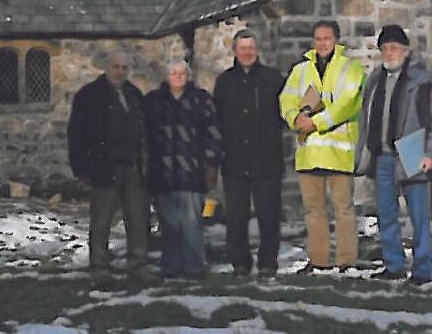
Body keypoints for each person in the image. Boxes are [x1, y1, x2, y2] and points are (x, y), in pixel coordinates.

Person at [354, 25, 432, 285]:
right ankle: (393, 264)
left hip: (412, 150)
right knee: (386, 214)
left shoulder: (423, 80)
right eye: (384, 48)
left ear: (405, 50)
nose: (389, 52)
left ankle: (423, 269)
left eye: (394, 47)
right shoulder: (375, 79)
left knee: (419, 215)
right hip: (382, 155)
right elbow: (365, 117)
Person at [279, 20, 366, 272]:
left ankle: (346, 261)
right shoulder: (301, 70)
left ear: (336, 40)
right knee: (313, 211)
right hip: (309, 153)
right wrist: (295, 118)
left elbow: (348, 103)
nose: (322, 43)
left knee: (343, 210)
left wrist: (314, 123)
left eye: (327, 38)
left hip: (339, 153)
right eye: (318, 39)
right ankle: (318, 261)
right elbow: (286, 99)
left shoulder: (351, 67)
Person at [67, 50, 154, 284]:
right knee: (101, 221)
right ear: (106, 68)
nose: (120, 72)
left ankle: (138, 266)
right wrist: (81, 167)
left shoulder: (134, 95)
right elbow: (76, 133)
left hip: (133, 167)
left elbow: (144, 130)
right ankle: (99, 267)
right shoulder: (89, 96)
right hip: (104, 167)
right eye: (116, 67)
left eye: (125, 68)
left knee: (138, 220)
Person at [213, 29, 287, 278]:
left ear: (257, 50)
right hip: (234, 160)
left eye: (251, 48)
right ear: (235, 51)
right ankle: (240, 263)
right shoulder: (224, 81)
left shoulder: (272, 79)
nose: (247, 53)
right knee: (236, 218)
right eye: (242, 48)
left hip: (267, 160)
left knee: (269, 216)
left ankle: (268, 263)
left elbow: (286, 114)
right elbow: (217, 119)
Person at [142, 60, 222, 279]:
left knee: (192, 222)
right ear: (166, 75)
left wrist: (212, 164)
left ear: (188, 76)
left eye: (182, 73)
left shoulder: (201, 100)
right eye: (173, 73)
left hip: (192, 172)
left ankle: (195, 266)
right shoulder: (153, 101)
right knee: (169, 224)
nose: (178, 76)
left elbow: (213, 133)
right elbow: (143, 136)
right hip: (162, 172)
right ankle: (171, 266)